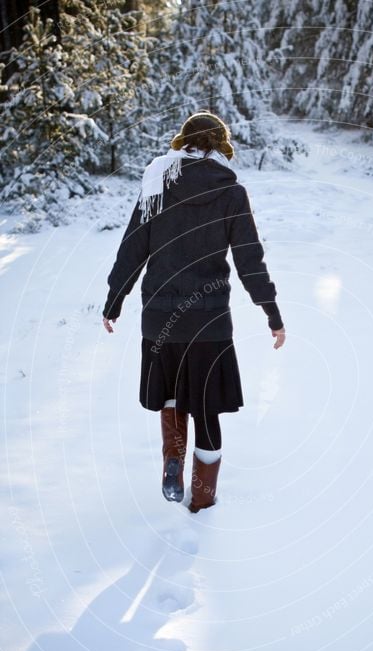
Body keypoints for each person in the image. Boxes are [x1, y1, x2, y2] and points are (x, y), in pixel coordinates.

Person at [102, 111, 286, 512]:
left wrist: (114, 301)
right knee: (206, 407)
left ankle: (173, 457)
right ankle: (202, 500)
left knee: (170, 395)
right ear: (220, 146)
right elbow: (249, 260)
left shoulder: (157, 183)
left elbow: (132, 249)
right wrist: (271, 312)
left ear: (183, 141)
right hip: (210, 323)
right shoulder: (231, 192)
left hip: (159, 318)